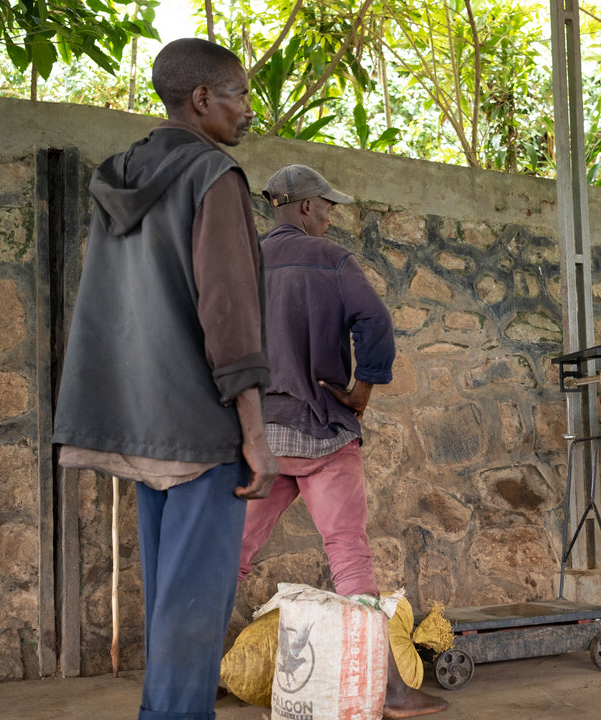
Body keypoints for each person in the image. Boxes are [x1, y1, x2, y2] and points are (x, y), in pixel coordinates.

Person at [51, 39, 278, 719]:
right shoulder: (214, 176)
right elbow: (229, 313)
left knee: (170, 602)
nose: (246, 110)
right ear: (201, 98)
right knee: (194, 606)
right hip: (200, 428)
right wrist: (255, 436)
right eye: (237, 93)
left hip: (136, 420)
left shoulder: (119, 174)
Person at [237, 164, 448, 718]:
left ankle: (194, 675)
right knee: (349, 555)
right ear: (304, 207)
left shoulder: (243, 260)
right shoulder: (331, 260)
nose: (331, 215)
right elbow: (375, 322)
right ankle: (391, 691)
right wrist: (361, 391)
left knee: (230, 558)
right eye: (327, 205)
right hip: (323, 434)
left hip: (259, 438)